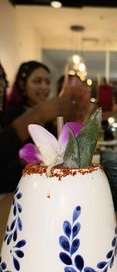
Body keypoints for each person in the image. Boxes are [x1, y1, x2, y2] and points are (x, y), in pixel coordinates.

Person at [0, 61, 91, 193]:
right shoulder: (12, 113)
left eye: (47, 82)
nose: (44, 87)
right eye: (37, 81)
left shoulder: (49, 118)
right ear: (22, 84)